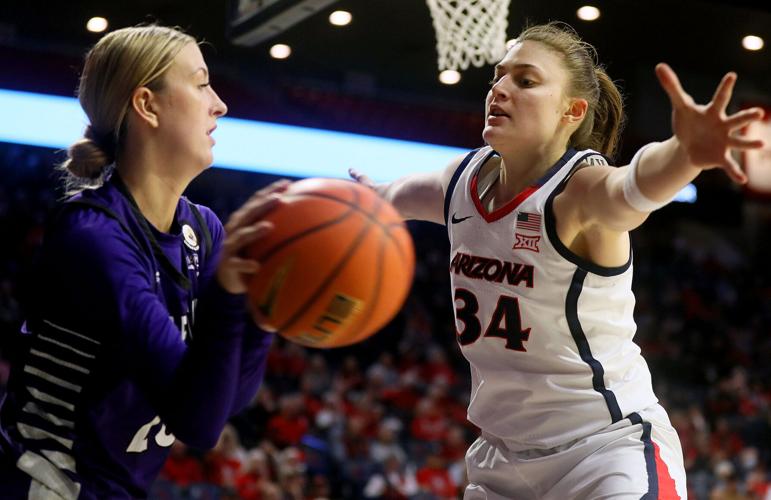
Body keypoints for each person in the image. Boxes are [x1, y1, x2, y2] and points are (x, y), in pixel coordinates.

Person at [350, 22, 765, 499]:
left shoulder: (579, 192)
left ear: (573, 110)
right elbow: (384, 198)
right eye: (498, 77)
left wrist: (685, 155)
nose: (500, 89)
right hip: (500, 462)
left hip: (605, 453)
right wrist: (344, 201)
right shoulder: (460, 181)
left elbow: (633, 189)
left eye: (525, 81)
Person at [0, 25, 287, 499]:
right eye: (200, 84)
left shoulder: (205, 229)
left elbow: (224, 402)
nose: (220, 104)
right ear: (147, 105)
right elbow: (196, 423)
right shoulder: (93, 237)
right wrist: (232, 300)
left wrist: (265, 315)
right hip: (43, 484)